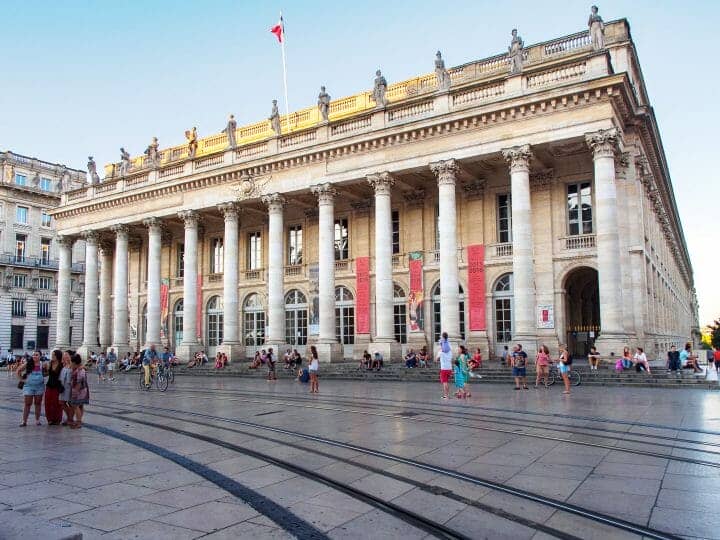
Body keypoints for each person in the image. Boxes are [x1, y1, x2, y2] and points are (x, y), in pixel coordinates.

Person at [17, 351, 45, 427]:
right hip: (29, 386)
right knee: (27, 403)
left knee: (38, 403)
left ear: (40, 356)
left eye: (36, 355)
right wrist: (22, 380)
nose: (34, 356)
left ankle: (37, 420)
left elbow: (47, 373)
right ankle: (24, 421)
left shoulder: (43, 364)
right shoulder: (28, 363)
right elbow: (18, 370)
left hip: (39, 387)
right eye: (33, 355)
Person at [69, 353, 89, 429]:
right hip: (83, 390)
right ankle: (79, 420)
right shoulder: (79, 369)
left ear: (74, 362)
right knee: (80, 406)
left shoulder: (80, 370)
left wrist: (75, 392)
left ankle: (79, 422)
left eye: (71, 362)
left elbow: (79, 382)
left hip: (79, 391)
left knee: (75, 406)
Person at [44, 350, 64, 425]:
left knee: (57, 403)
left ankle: (57, 419)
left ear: (58, 356)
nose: (52, 356)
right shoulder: (50, 363)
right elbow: (46, 374)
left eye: (54, 355)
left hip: (57, 386)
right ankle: (50, 419)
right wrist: (44, 369)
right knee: (48, 402)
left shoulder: (61, 365)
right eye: (52, 355)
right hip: (49, 385)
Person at [59, 351, 74, 426]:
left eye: (66, 355)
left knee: (70, 403)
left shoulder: (72, 365)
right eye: (64, 355)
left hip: (70, 386)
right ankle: (69, 418)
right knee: (62, 402)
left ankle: (70, 419)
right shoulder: (63, 365)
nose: (65, 356)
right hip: (62, 386)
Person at [438, 332, 453, 399]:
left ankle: (446, 395)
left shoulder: (441, 352)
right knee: (447, 382)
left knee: (445, 382)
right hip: (449, 368)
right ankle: (447, 395)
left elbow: (436, 359)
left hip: (444, 368)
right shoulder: (450, 351)